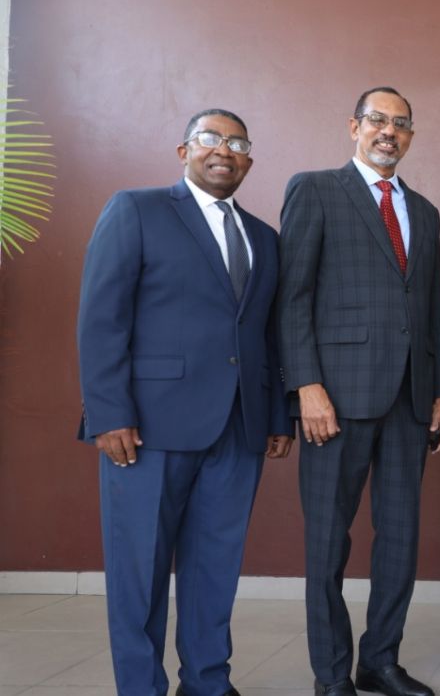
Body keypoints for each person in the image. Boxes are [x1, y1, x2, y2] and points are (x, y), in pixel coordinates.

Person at [77, 108, 292, 695]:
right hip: (147, 429)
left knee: (214, 570)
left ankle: (207, 682)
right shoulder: (136, 210)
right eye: (210, 138)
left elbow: (267, 335)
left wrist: (277, 415)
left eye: (237, 143)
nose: (224, 150)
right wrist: (109, 413)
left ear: (249, 161)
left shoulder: (264, 238)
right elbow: (101, 318)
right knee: (139, 574)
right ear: (184, 151)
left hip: (239, 429)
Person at [277, 87, 440, 696]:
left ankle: (380, 661)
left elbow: (430, 310)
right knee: (328, 542)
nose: (388, 131)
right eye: (377, 120)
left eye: (400, 124)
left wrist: (439, 393)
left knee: (399, 540)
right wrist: (306, 385)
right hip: (335, 399)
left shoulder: (425, 211)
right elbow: (292, 297)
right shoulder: (315, 189)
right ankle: (331, 674)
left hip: (409, 400)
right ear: (354, 126)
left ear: (411, 137)